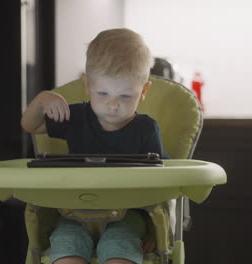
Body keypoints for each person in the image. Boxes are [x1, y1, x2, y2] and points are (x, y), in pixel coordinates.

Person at [21, 28, 166, 264]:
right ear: (87, 85)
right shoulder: (76, 117)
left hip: (128, 215)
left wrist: (154, 230)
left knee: (120, 247)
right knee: (66, 248)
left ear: (143, 92)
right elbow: (30, 125)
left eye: (126, 96)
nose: (113, 105)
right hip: (74, 213)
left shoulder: (146, 129)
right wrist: (42, 99)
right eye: (103, 93)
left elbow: (162, 185)